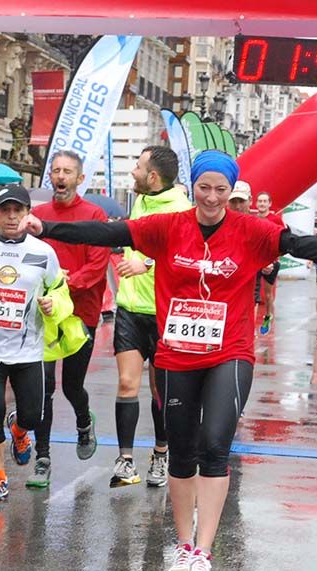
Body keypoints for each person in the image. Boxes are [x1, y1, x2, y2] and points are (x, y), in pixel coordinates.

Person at [21, 150, 317, 571]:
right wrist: (48, 228)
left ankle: (203, 552)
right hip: (176, 353)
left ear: (231, 191)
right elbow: (107, 231)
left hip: (229, 351)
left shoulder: (251, 230)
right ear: (191, 188)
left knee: (214, 444)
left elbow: (300, 245)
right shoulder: (167, 227)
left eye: (221, 189)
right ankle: (182, 545)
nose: (212, 198)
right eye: (204, 188)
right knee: (181, 451)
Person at [0, 185, 83, 502]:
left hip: (29, 349)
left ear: (26, 214)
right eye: (5, 210)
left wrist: (53, 305)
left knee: (33, 416)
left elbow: (63, 298)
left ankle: (20, 430)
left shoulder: (43, 253)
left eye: (17, 210)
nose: (10, 216)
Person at [110, 146, 190, 489]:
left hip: (163, 311)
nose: (133, 172)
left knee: (160, 390)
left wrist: (149, 263)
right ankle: (125, 460)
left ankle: (161, 452)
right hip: (129, 307)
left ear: (153, 176)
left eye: (138, 167)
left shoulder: (182, 210)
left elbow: (186, 255)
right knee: (127, 383)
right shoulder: (141, 200)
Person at [28, 150, 107, 488]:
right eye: (56, 170)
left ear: (80, 179)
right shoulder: (39, 215)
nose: (60, 176)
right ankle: (42, 456)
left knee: (72, 385)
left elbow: (96, 265)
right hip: (44, 313)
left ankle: (83, 423)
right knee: (43, 386)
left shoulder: (94, 214)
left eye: (67, 171)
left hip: (80, 313)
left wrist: (63, 284)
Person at [254, 191, 284, 335]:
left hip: (270, 261)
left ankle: (267, 316)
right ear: (256, 203)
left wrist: (272, 260)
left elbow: (281, 242)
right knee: (253, 295)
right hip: (254, 261)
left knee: (267, 294)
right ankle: (251, 326)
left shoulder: (275, 220)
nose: (262, 204)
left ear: (269, 204)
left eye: (265, 201)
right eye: (260, 201)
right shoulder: (251, 219)